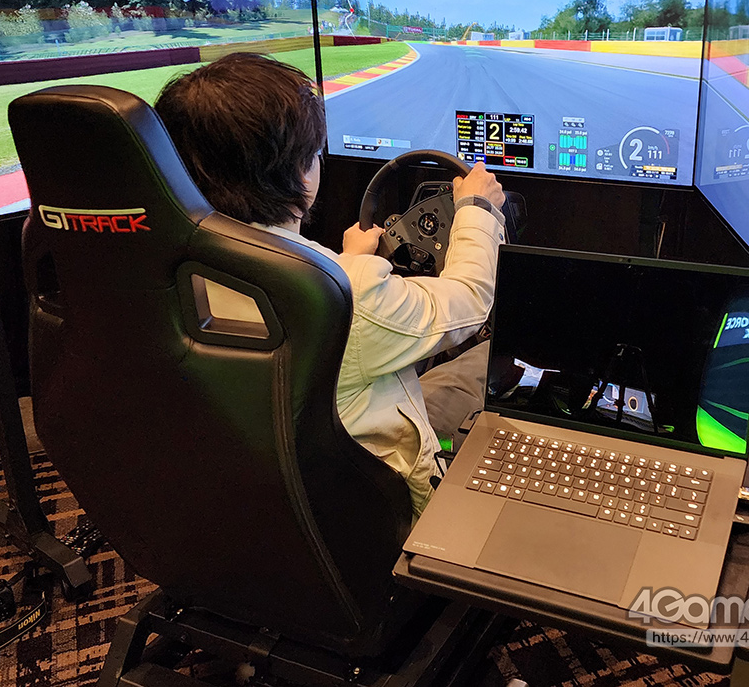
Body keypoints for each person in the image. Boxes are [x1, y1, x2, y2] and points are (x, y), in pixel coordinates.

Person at [154, 52, 505, 518]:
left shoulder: (154, 272)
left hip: (249, 495)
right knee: (488, 356)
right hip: (373, 512)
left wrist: (350, 261)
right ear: (303, 174)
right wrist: (478, 209)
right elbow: (470, 301)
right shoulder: (345, 293)